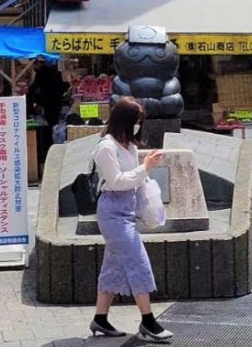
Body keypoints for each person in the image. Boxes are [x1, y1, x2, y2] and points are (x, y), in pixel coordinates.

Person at [89, 97, 172, 341]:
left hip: (127, 210)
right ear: (124, 121)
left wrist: (146, 171)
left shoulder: (129, 145)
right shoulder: (106, 147)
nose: (138, 126)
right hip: (112, 213)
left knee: (113, 267)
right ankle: (148, 321)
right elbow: (116, 182)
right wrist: (145, 168)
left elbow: (134, 179)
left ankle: (100, 319)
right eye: (136, 121)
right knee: (138, 261)